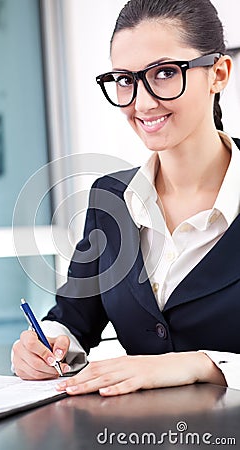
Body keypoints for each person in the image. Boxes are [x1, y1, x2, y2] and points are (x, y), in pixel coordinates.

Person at [12, 0, 240, 396]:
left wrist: (203, 364)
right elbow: (73, 318)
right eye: (125, 79)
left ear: (218, 74)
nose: (142, 102)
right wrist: (47, 343)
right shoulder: (110, 199)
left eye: (166, 73)